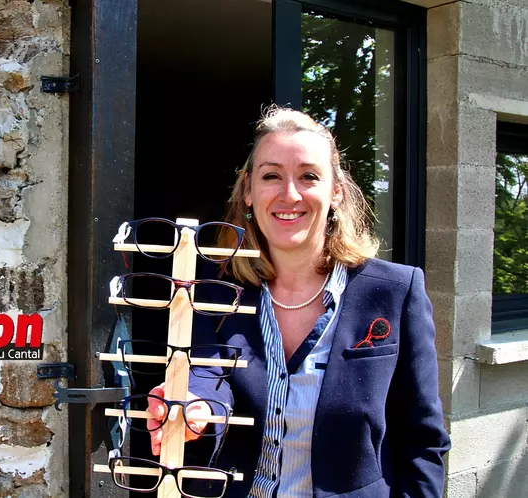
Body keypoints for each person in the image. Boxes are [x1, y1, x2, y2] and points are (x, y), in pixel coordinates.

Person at [145, 105, 451, 497]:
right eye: (271, 176)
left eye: (308, 176)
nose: (289, 194)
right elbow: (208, 374)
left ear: (336, 193)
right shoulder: (215, 290)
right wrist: (194, 403)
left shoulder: (394, 290)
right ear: (249, 193)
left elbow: (423, 440)